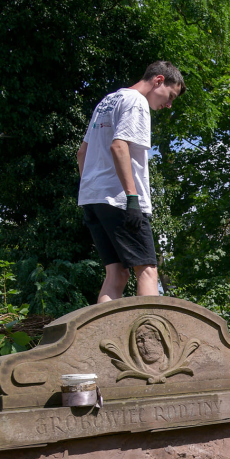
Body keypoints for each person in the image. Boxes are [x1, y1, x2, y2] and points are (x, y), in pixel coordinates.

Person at [77, 61, 185, 303]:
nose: (168, 104)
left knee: (116, 275)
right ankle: (149, 339)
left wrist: (93, 190)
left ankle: (103, 337)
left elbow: (81, 153)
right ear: (158, 80)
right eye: (170, 96)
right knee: (147, 270)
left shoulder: (107, 101)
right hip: (121, 200)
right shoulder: (136, 102)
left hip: (93, 199)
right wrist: (132, 197)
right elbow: (119, 146)